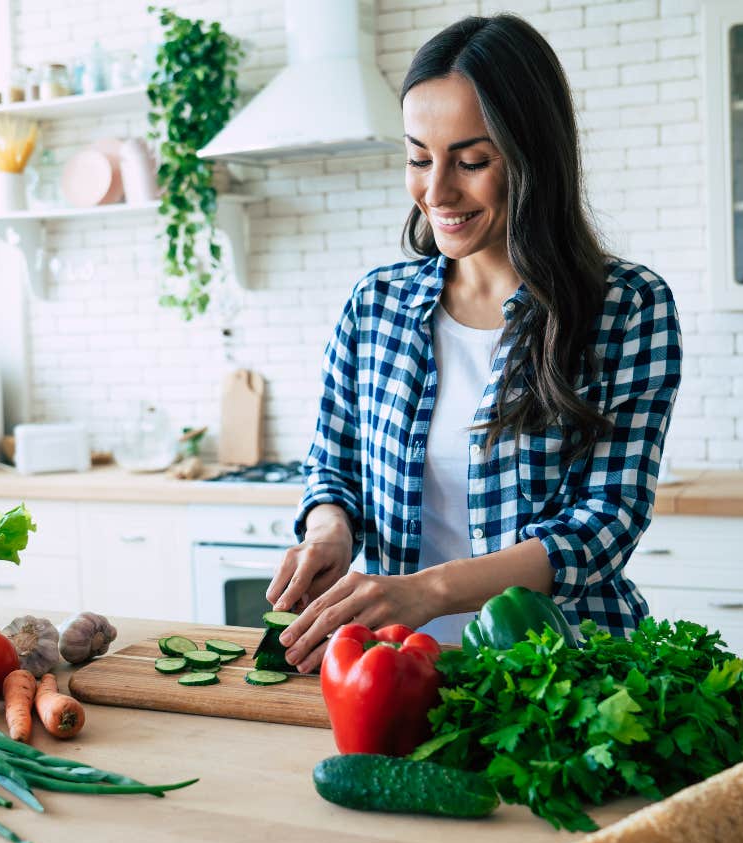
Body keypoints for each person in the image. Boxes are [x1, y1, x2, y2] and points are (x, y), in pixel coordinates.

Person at [266, 13, 682, 672]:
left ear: (531, 155)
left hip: (567, 674)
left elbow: (606, 522)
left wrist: (428, 592)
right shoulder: (375, 305)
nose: (437, 192)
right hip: (397, 672)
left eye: (471, 160)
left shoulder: (625, 308)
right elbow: (332, 467)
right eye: (418, 158)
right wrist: (329, 530)